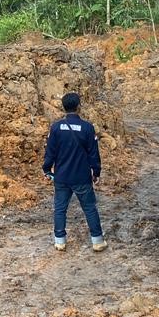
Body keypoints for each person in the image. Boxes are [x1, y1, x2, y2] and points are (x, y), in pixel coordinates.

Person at [42, 91, 106, 252]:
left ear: (63, 107)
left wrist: (46, 169)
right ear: (79, 107)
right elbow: (93, 154)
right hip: (82, 177)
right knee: (90, 208)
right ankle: (97, 241)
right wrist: (96, 173)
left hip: (62, 177)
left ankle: (60, 241)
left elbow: (50, 152)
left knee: (60, 209)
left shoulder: (56, 128)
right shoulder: (87, 128)